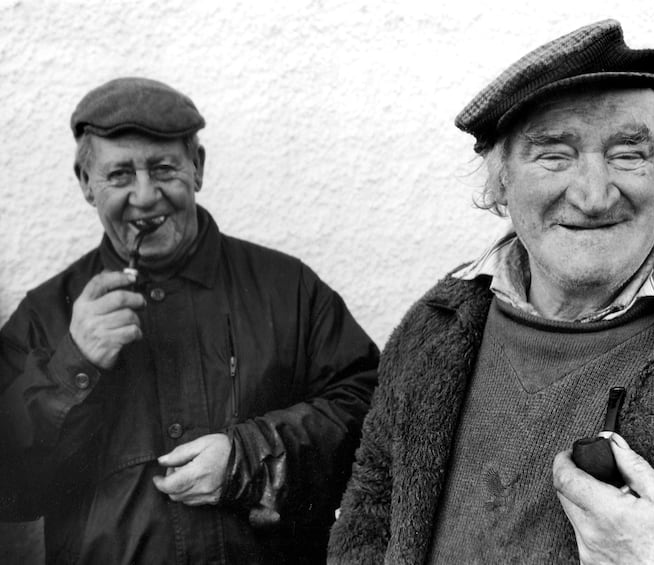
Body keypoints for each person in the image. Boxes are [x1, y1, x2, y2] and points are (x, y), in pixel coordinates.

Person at [328, 19, 654, 564]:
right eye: (554, 154)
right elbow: (367, 521)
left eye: (628, 154)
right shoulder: (433, 327)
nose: (594, 196)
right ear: (501, 181)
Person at [0, 77, 379, 564]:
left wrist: (251, 458)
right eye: (119, 175)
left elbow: (372, 416)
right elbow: (11, 491)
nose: (144, 195)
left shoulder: (290, 289)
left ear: (197, 168)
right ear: (85, 183)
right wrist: (73, 366)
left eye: (163, 168)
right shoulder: (45, 314)